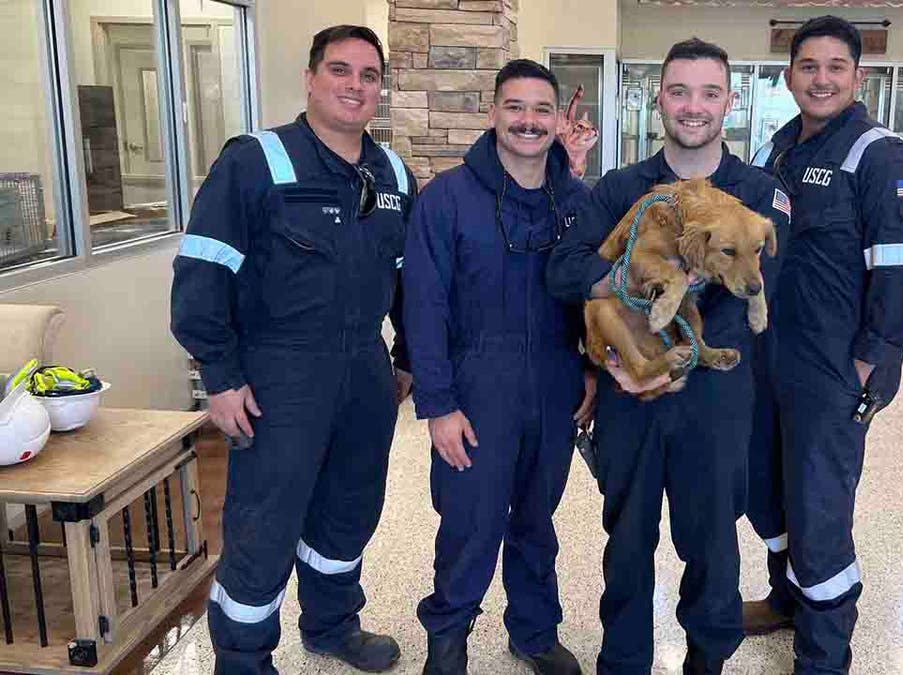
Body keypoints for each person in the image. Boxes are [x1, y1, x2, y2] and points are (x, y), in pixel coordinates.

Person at [170, 25, 414, 674]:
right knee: (266, 519)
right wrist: (219, 377)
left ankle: (333, 623)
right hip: (280, 373)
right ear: (310, 79)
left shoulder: (392, 173)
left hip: (363, 367)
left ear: (379, 90)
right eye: (339, 70)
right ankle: (244, 658)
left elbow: (408, 279)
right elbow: (202, 274)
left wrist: (406, 359)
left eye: (368, 75)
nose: (354, 86)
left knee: (350, 505)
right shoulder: (254, 162)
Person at [546, 38, 791, 675]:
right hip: (630, 393)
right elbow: (566, 269)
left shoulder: (758, 196)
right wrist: (619, 332)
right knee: (626, 542)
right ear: (659, 99)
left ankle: (707, 661)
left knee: (710, 542)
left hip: (714, 401)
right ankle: (623, 662)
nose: (693, 106)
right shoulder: (625, 189)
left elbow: (766, 291)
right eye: (679, 91)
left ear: (729, 102)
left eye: (709, 92)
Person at [743, 16, 903, 674]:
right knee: (764, 485)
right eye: (808, 66)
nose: (820, 78)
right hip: (772, 358)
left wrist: (869, 358)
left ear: (858, 77)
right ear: (789, 74)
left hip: (834, 369)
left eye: (835, 67)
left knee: (818, 504)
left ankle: (823, 653)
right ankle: (785, 596)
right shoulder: (781, 148)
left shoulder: (881, 156)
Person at [403, 59, 594, 675]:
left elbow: (596, 296)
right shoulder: (446, 199)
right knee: (471, 521)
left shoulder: (578, 201)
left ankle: (534, 633)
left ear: (558, 119)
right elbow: (423, 307)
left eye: (542, 109)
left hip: (557, 384)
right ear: (493, 113)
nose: (528, 121)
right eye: (515, 107)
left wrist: (590, 372)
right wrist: (437, 404)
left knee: (537, 520)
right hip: (477, 388)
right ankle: (449, 637)